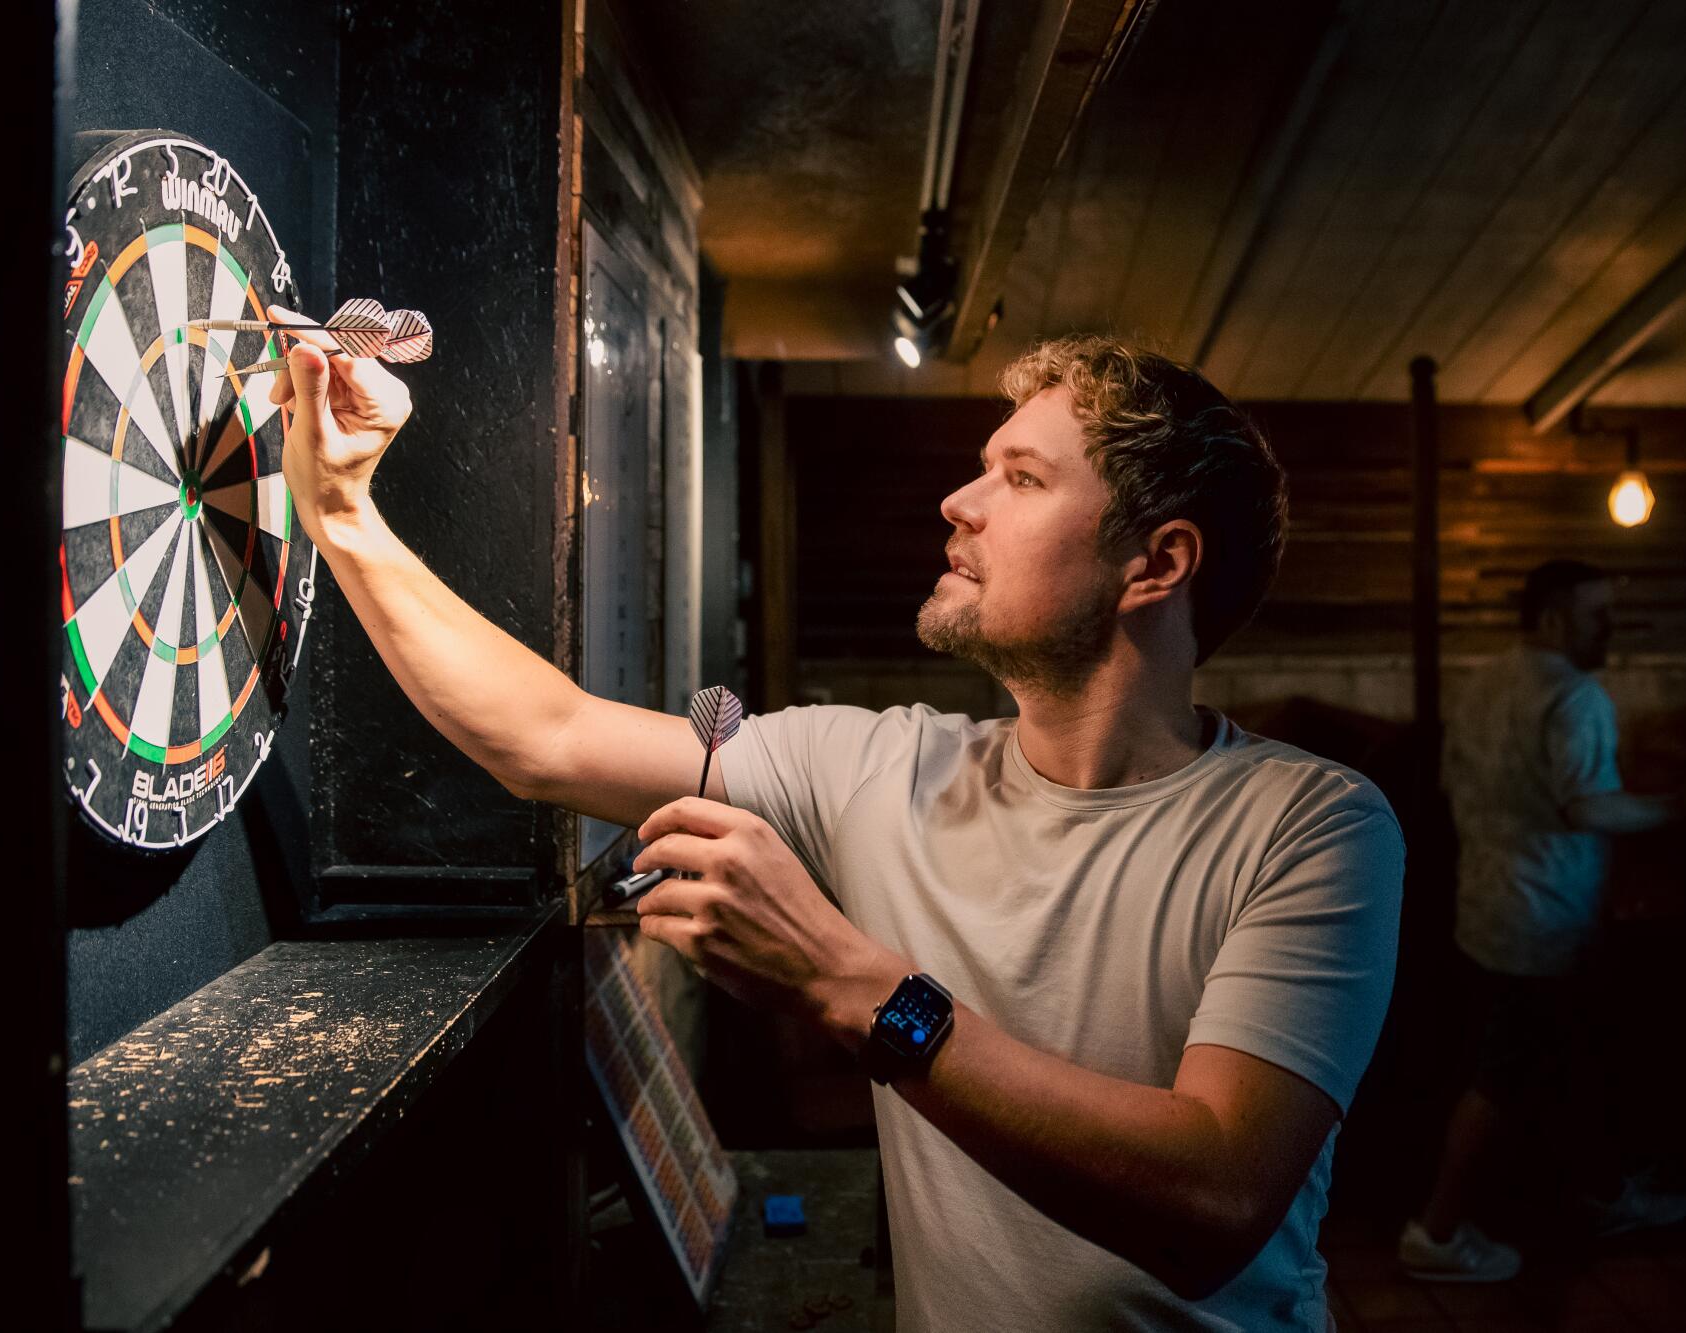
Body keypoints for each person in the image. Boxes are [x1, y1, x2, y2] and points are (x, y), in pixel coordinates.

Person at [270, 318, 1403, 1332]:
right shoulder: (879, 764)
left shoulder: (1306, 824)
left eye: (1018, 476)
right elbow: (546, 737)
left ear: (1154, 562)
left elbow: (1212, 1202)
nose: (958, 502)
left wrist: (850, 987)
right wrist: (341, 512)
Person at [1399, 559, 1686, 1283]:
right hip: (1546, 919)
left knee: (1553, 1060)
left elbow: (1457, 787)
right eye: (1596, 613)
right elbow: (1587, 807)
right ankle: (1436, 1231)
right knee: (1505, 1075)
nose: (1610, 627)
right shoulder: (1576, 698)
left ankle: (1600, 1193)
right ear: (1550, 619)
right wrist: (1680, 807)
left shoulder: (1483, 682)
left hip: (1484, 908)